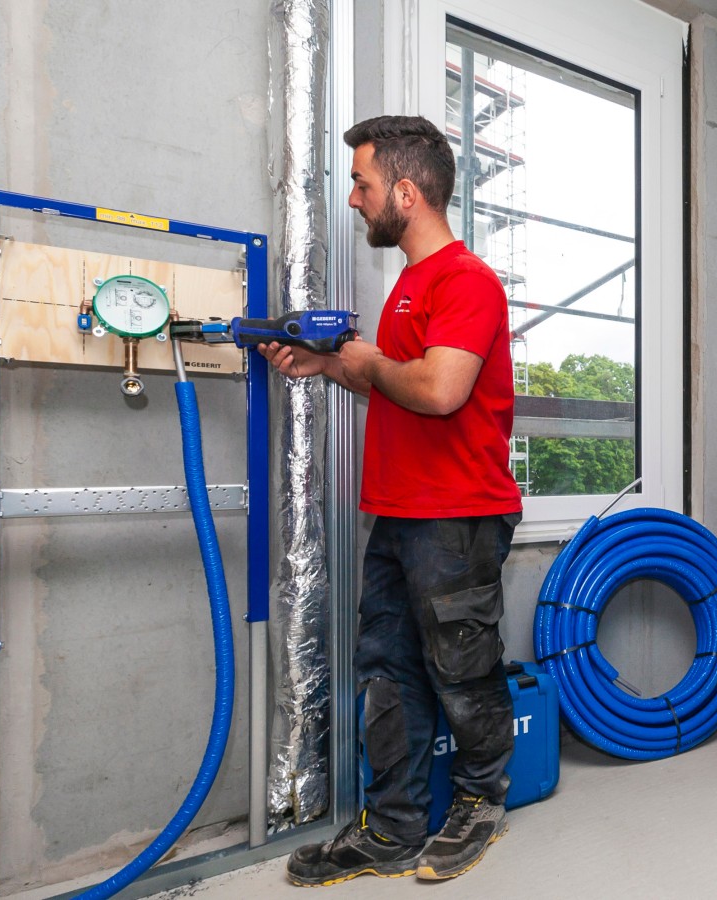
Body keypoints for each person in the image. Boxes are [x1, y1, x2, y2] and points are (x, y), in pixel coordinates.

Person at [266, 115, 523, 886]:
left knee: (462, 668)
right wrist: (326, 364)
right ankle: (394, 827)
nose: (354, 198)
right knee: (388, 670)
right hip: (403, 509)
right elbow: (395, 380)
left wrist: (371, 364)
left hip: (458, 514)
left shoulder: (464, 281)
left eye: (364, 184)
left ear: (405, 194)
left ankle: (481, 801)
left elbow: (441, 391)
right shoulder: (409, 286)